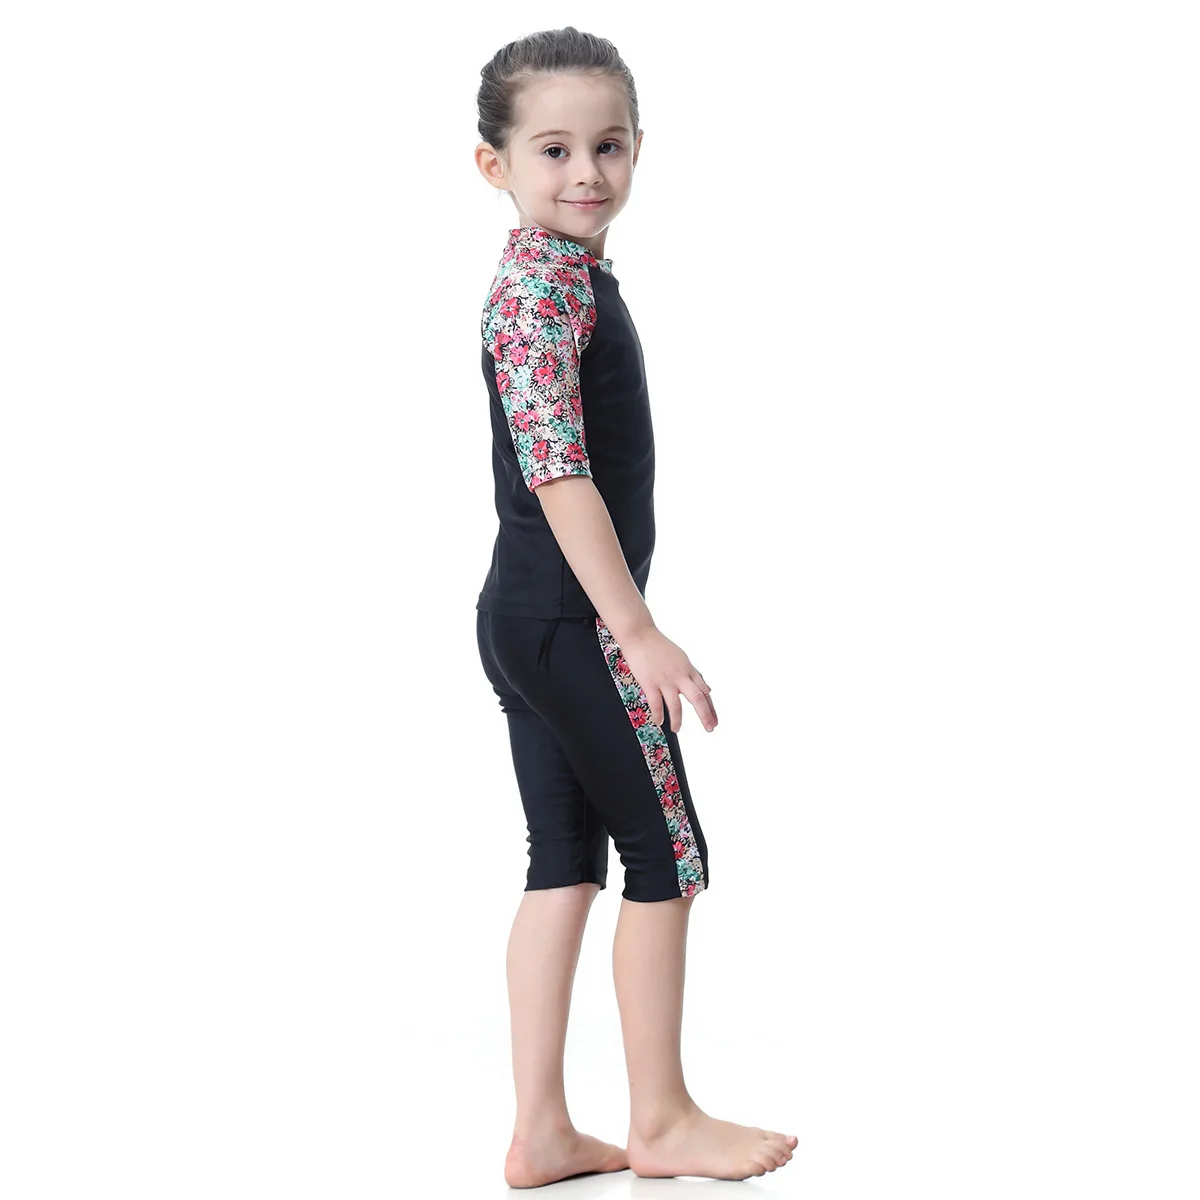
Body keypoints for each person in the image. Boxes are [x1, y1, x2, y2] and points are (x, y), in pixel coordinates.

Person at [472, 26, 798, 1189]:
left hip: (528, 619)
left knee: (564, 862)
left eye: (608, 146)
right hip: (571, 625)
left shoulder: (561, 278)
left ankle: (544, 1132)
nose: (587, 173)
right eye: (553, 149)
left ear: (639, 148)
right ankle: (661, 1119)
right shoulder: (537, 296)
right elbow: (560, 473)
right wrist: (638, 630)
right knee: (669, 854)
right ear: (494, 164)